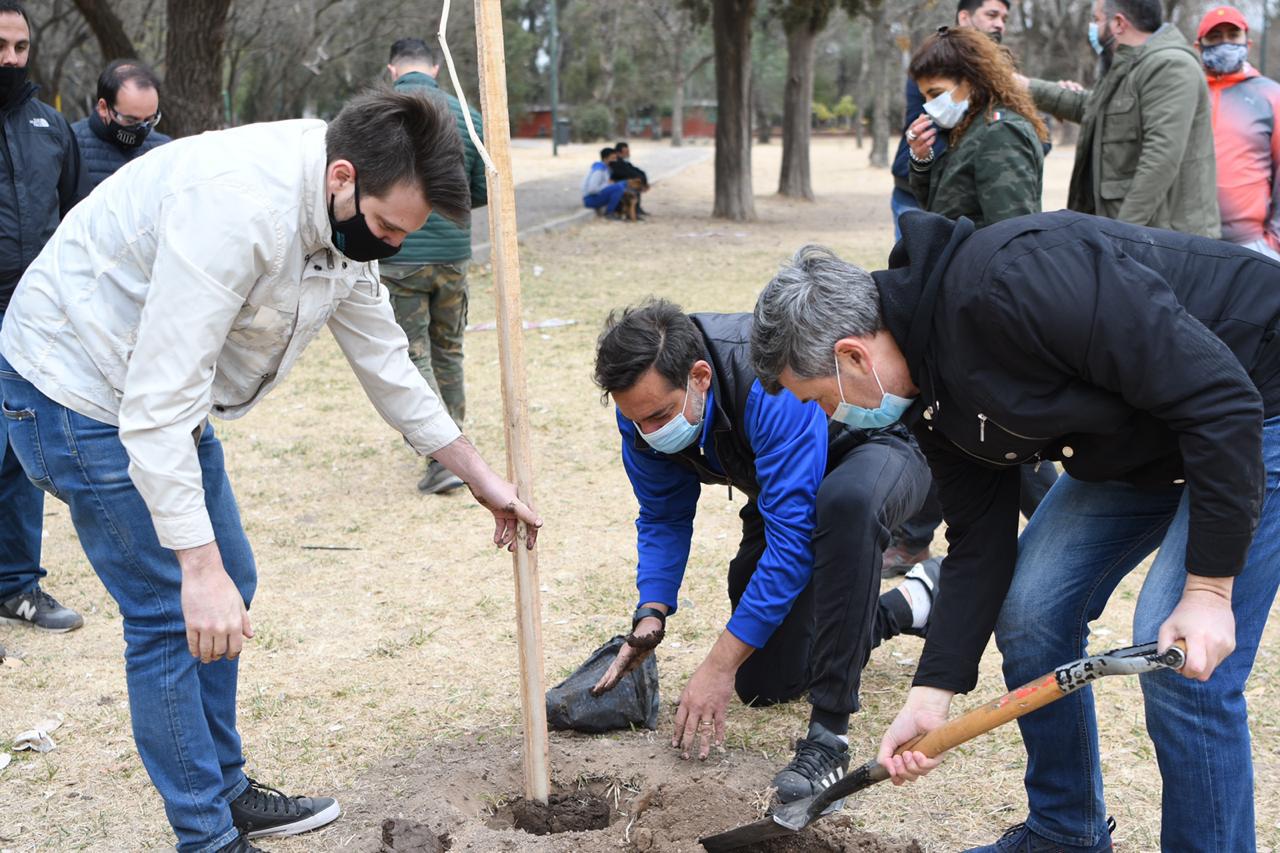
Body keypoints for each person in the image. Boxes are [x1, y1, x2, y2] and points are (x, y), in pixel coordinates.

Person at [0, 89, 541, 853]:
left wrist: (474, 471)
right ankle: (209, 837)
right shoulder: (236, 212)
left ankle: (225, 787)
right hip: (73, 388)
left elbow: (386, 357)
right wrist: (193, 562)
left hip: (152, 390)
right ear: (342, 178)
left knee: (234, 581)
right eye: (386, 227)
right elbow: (154, 408)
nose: (388, 247)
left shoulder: (343, 219)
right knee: (171, 606)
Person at [750, 209, 1280, 852]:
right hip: (1139, 439)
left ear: (852, 356)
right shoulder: (928, 396)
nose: (835, 418)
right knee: (1030, 611)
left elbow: (1218, 399)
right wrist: (931, 691)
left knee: (1178, 659)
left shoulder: (1015, 280)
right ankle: (1065, 832)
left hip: (1253, 400)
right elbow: (978, 543)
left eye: (823, 401)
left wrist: (1209, 592)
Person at [590, 300, 936, 806]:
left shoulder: (766, 381)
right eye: (635, 420)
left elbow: (793, 544)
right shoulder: (643, 412)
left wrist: (717, 664)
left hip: (874, 449)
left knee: (846, 507)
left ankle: (828, 738)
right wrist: (651, 613)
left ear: (700, 377)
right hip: (784, 490)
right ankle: (908, 605)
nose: (648, 432)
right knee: (767, 680)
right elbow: (663, 516)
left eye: (659, 416)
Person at [886, 24, 1058, 574]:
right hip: (961, 303)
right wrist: (922, 161)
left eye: (938, 92)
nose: (932, 104)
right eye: (927, 95)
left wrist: (991, 317)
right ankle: (917, 536)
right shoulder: (969, 130)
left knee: (1008, 436)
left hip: (988, 309)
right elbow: (942, 214)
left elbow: (1013, 232)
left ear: (971, 80)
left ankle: (1062, 534)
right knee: (958, 428)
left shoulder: (1001, 134)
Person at [0, 0, 85, 638]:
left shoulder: (50, 126)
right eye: (0, 46)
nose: (10, 59)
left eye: (20, 47)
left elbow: (75, 224)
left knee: (18, 455)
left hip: (30, 324)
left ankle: (17, 587)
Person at [379, 37, 487, 495]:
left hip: (400, 254)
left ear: (392, 70)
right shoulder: (466, 115)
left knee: (413, 353)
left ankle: (442, 455)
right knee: (449, 349)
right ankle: (454, 443)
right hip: (453, 255)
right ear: (436, 68)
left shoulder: (382, 114)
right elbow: (482, 187)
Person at [1023, 0, 1219, 237]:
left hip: (1164, 244)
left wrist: (1120, 236)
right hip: (1136, 238)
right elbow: (1093, 108)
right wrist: (1026, 88)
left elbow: (1160, 158)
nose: (1092, 28)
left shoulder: (1170, 66)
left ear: (1118, 23)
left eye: (1096, 20)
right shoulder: (1128, 66)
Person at [889, 0, 1009, 240]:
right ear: (964, 17)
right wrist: (920, 157)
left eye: (1004, 19)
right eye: (992, 15)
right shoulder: (933, 62)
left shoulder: (1005, 100)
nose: (999, 24)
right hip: (914, 189)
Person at [1197, 5, 1280, 261]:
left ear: (1248, 43)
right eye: (1215, 36)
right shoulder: (1186, 92)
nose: (1225, 42)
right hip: (1188, 240)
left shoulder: (1271, 94)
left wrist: (1274, 242)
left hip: (1252, 245)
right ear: (1198, 45)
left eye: (1233, 36)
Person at [71, 59, 170, 191]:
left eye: (150, 120)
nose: (141, 129)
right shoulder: (70, 147)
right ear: (103, 107)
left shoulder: (164, 150)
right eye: (130, 120)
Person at [582, 147, 629, 217]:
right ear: (605, 159)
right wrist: (608, 185)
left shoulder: (607, 169)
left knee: (624, 183)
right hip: (590, 199)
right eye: (612, 158)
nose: (615, 161)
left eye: (615, 158)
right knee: (618, 187)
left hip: (597, 196)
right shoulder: (599, 170)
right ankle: (609, 213)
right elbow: (592, 189)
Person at [610, 141, 649, 216]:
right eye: (626, 152)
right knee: (635, 183)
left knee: (637, 181)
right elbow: (625, 174)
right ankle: (634, 211)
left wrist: (644, 181)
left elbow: (638, 171)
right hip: (619, 183)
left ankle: (637, 209)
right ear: (618, 153)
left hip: (627, 181)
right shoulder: (616, 162)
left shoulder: (625, 161)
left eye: (628, 151)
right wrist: (641, 181)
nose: (628, 154)